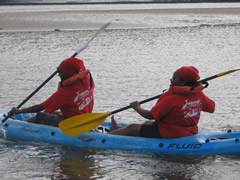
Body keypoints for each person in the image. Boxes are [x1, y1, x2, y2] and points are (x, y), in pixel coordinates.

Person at [109, 66, 215, 139]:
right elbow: (211, 108)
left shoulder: (171, 99)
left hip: (171, 133)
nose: (171, 80)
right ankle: (119, 130)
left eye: (174, 78)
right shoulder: (198, 94)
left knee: (133, 127)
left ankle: (105, 137)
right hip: (191, 130)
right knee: (147, 124)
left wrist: (137, 107)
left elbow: (150, 115)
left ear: (183, 82)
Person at [10, 57, 95, 127]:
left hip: (72, 123)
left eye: (61, 72)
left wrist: (18, 111)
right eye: (58, 70)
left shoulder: (65, 93)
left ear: (70, 74)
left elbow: (41, 107)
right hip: (83, 118)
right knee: (49, 112)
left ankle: (17, 125)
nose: (58, 74)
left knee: (40, 116)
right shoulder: (88, 80)